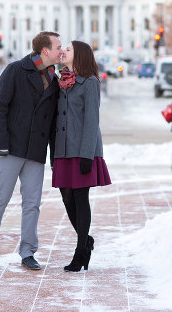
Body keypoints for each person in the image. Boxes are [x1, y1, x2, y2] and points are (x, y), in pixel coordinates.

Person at [0, 31, 63, 270]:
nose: (61, 50)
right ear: (45, 51)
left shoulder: (54, 79)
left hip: (36, 150)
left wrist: (54, 155)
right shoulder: (16, 70)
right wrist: (1, 143)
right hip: (10, 148)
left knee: (32, 203)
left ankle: (27, 252)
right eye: (57, 46)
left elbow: (53, 122)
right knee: (1, 198)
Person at [53, 40, 112, 272]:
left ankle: (80, 252)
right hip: (62, 149)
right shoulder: (61, 81)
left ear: (79, 56)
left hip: (81, 150)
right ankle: (85, 240)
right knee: (66, 197)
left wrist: (88, 154)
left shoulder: (90, 83)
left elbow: (91, 121)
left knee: (79, 198)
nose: (63, 52)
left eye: (67, 49)